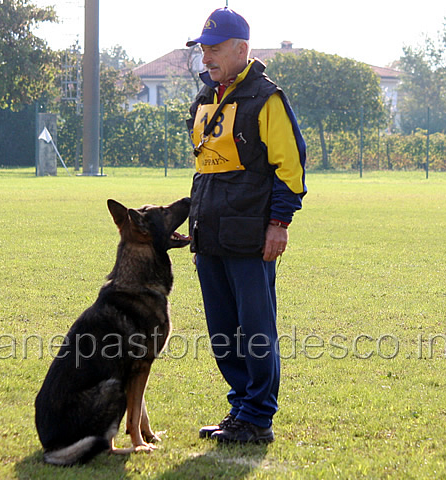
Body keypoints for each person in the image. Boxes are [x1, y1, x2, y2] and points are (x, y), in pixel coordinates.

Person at [186, 7, 306, 444]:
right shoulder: (205, 98)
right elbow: (206, 170)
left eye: (215, 49)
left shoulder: (267, 98)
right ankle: (240, 408)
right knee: (222, 331)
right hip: (210, 235)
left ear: (242, 49)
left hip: (252, 236)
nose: (207, 58)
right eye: (203, 50)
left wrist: (279, 222)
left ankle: (258, 417)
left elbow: (290, 167)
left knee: (255, 329)